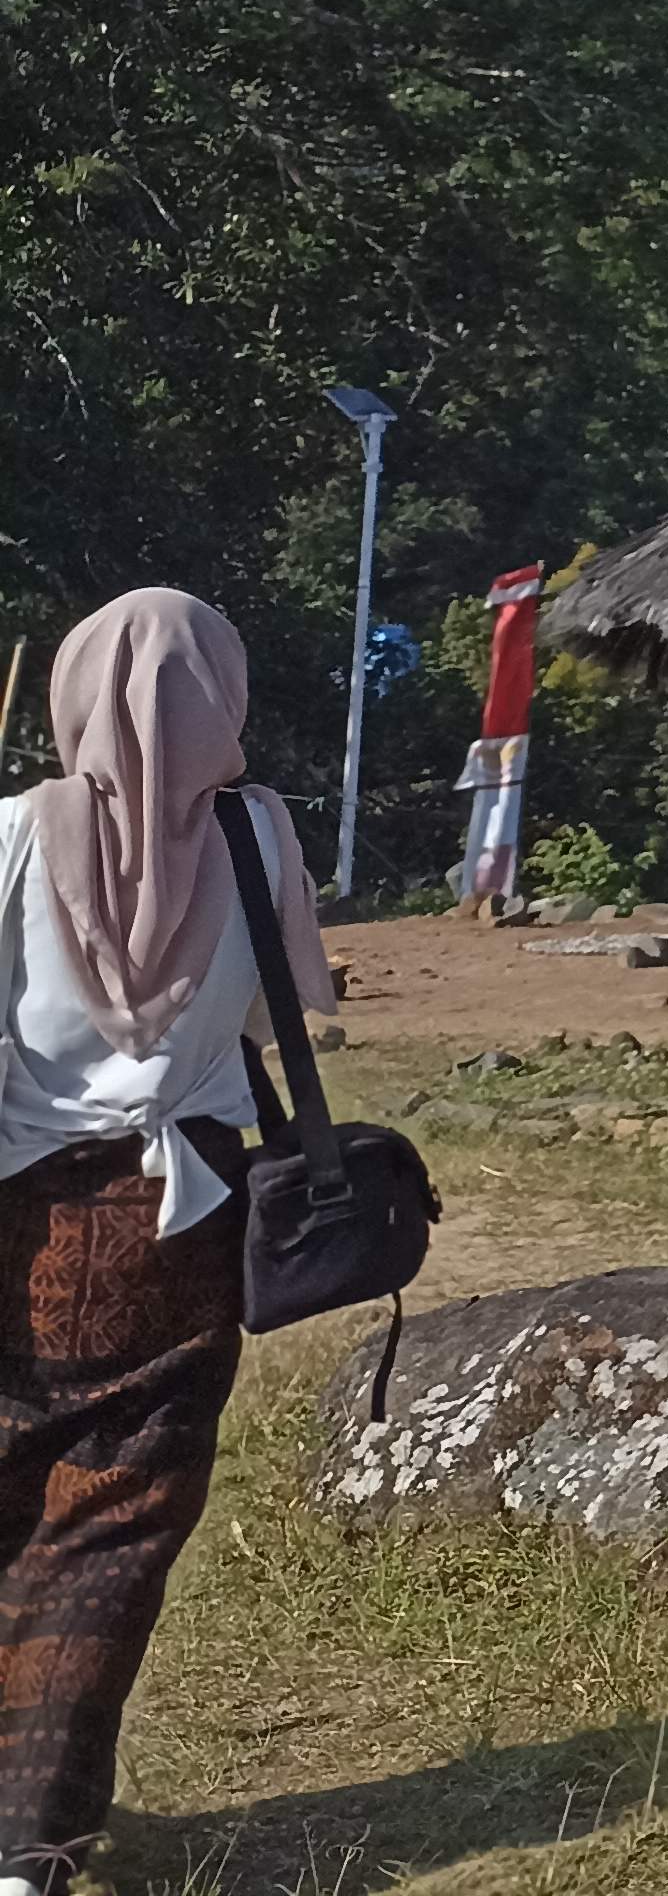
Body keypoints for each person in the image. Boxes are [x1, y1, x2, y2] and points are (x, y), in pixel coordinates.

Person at [0, 592, 334, 1896]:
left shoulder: (15, 842)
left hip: (20, 1231)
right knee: (111, 1537)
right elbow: (288, 1000)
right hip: (178, 1228)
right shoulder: (258, 838)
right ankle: (27, 1841)